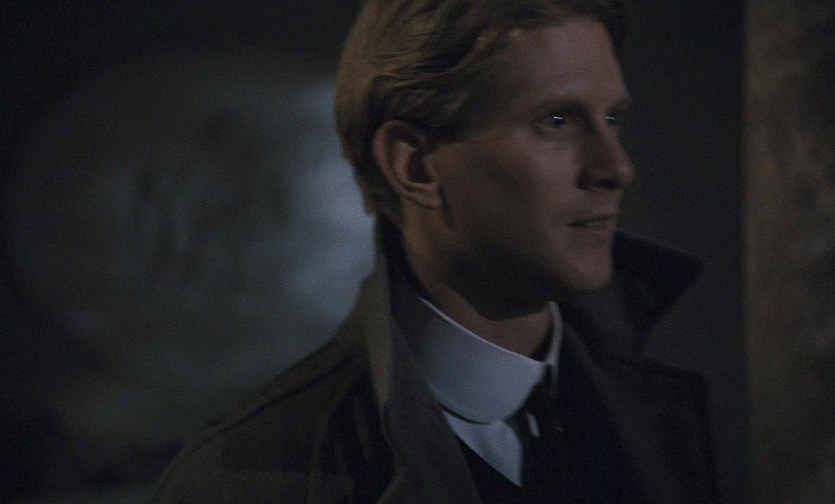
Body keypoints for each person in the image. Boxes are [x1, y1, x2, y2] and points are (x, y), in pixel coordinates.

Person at [153, 0, 721, 502]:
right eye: (555, 120)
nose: (616, 167)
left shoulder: (658, 420)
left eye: (612, 119)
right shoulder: (250, 477)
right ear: (415, 166)